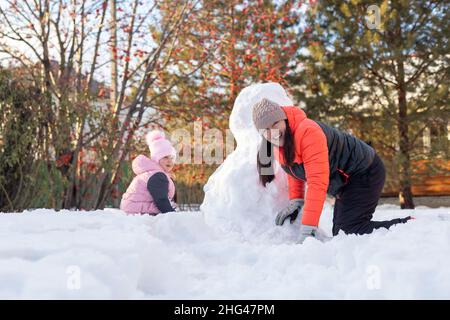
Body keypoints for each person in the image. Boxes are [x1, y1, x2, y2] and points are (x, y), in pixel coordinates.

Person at [253, 98, 412, 243]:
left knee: (348, 230)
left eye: (275, 124)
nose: (272, 132)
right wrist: (296, 200)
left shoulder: (307, 132)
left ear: (284, 119)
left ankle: (406, 226)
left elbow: (317, 182)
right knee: (342, 230)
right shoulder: (277, 144)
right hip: (346, 181)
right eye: (265, 129)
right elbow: (294, 169)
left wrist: (308, 229)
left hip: (365, 172)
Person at [120, 130, 177, 215]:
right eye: (165, 157)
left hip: (133, 210)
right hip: (137, 213)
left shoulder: (152, 173)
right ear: (157, 160)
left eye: (171, 158)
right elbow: (161, 200)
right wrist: (173, 215)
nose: (169, 161)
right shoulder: (158, 176)